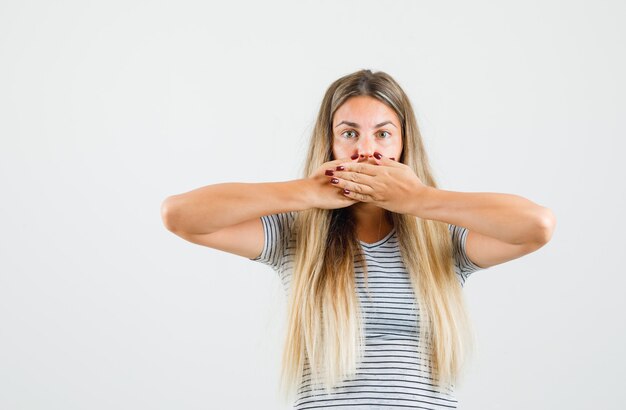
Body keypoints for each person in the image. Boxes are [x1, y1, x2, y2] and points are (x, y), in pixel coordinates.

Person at [160, 69, 556, 409]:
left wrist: (419, 199)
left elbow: (537, 225)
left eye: (383, 134)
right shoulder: (294, 235)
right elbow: (180, 216)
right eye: (349, 133)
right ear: (330, 143)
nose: (366, 151)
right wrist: (306, 192)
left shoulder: (444, 240)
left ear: (403, 146)